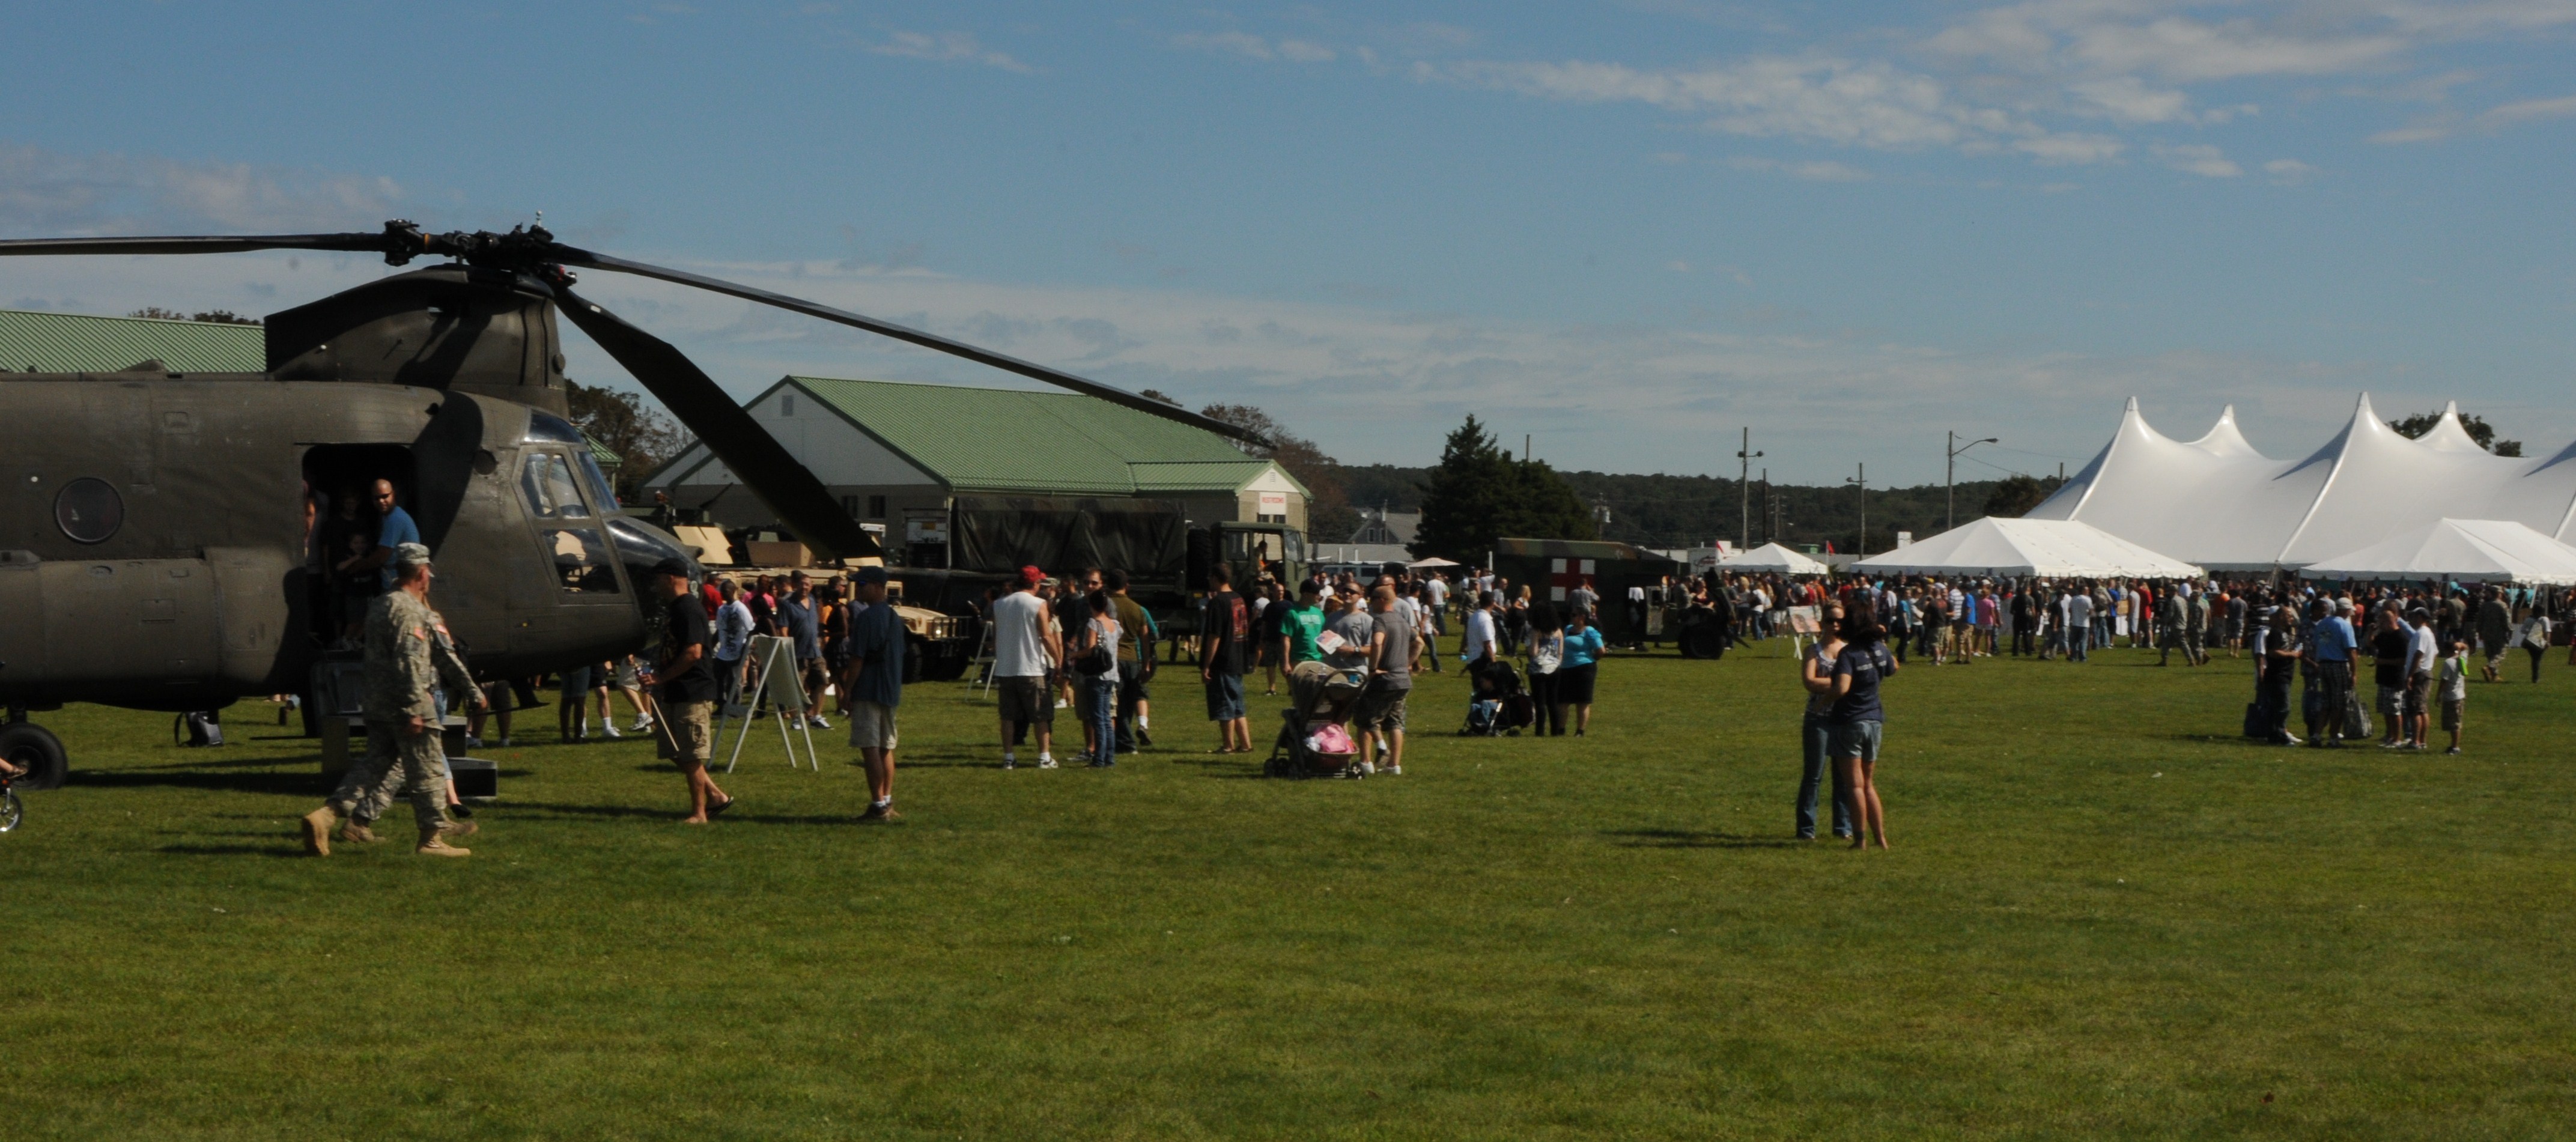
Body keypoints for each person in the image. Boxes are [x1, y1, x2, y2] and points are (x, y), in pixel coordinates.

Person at [299, 542, 483, 857]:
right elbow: (410, 661)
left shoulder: (381, 604)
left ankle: (326, 816)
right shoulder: (411, 611)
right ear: (422, 573)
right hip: (408, 703)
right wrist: (415, 708)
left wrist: (471, 691)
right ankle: (431, 840)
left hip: (377, 703)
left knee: (374, 766)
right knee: (428, 770)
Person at [649, 558, 733, 824]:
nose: (655, 586)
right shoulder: (675, 608)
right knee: (675, 751)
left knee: (692, 754)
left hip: (692, 691)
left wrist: (662, 678)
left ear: (670, 578)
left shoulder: (688, 608)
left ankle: (699, 813)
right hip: (675, 690)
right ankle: (716, 796)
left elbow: (693, 653)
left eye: (658, 580)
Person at [1826, 608, 1899, 851]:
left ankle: (1860, 840)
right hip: (1875, 720)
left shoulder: (1849, 654)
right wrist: (1882, 642)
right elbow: (1893, 668)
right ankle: (1881, 839)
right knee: (1868, 784)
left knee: (1855, 786)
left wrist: (1822, 702)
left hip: (1849, 721)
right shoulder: (1879, 649)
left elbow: (1842, 688)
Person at [842, 566, 904, 821]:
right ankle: (887, 800)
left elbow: (857, 658)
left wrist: (848, 691)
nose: (858, 588)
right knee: (886, 747)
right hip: (890, 690)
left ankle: (878, 806)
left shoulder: (866, 617)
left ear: (878, 587)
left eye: (862, 584)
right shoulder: (894, 617)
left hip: (868, 689)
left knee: (869, 747)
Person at [994, 566, 1062, 769]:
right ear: (1036, 583)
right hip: (1031, 667)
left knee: (1008, 716)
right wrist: (1058, 659)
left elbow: (997, 635)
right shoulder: (1039, 604)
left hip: (1006, 668)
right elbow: (1046, 636)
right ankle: (1044, 757)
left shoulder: (999, 604)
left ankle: (1008, 757)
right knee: (1040, 715)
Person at [1796, 601, 1853, 841]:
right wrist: (1842, 684)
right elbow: (1809, 682)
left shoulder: (1849, 650)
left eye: (1840, 620)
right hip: (1817, 719)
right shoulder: (1813, 650)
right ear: (1822, 622)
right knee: (1814, 775)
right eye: (1830, 620)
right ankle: (1806, 829)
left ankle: (1843, 827)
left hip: (1844, 719)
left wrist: (1830, 684)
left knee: (1843, 777)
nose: (1835, 625)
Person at [1358, 585, 1415, 774]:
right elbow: (1420, 642)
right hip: (1402, 680)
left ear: (1382, 600)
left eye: (1373, 598)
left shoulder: (1380, 620)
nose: (1370, 602)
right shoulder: (1402, 621)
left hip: (1384, 680)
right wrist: (1408, 663)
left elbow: (1377, 642)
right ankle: (1394, 765)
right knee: (1395, 723)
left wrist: (1373, 669)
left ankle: (1365, 763)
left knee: (1366, 720)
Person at [1200, 565, 1253, 754]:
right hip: (1238, 658)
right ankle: (1246, 744)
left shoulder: (1217, 602)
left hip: (1223, 660)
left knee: (1225, 705)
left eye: (1210, 577)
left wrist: (1207, 665)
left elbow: (1215, 635)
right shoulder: (1239, 599)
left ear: (1215, 578)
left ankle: (1228, 745)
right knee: (1238, 705)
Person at [1106, 569, 1156, 752]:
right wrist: (1146, 664)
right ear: (1127, 586)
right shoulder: (1137, 609)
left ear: (1108, 586)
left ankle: (1126, 742)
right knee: (1128, 701)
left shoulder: (1107, 606)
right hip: (1133, 659)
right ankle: (1124, 741)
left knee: (1116, 703)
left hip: (1114, 659)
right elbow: (1145, 639)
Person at [1073, 590, 1122, 768]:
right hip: (1112, 674)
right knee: (1107, 718)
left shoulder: (1094, 623)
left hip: (1097, 675)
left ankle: (1099, 759)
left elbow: (1090, 649)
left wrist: (1074, 654)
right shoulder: (1115, 624)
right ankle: (1109, 758)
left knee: (1098, 719)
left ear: (1091, 605)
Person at [777, 572, 830, 730]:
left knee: (822, 682)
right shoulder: (787, 603)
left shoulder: (813, 601)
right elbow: (783, 630)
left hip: (815, 651)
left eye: (807, 584)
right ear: (796, 585)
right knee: (796, 688)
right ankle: (796, 719)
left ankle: (815, 716)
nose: (804, 587)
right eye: (802, 584)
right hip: (797, 653)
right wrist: (787, 650)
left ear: (811, 587)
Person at [2308, 598, 2358, 748]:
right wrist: (2354, 673)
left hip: (2323, 665)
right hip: (2338, 665)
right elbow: (2351, 651)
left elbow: (2316, 644)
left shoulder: (2322, 624)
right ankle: (2333, 738)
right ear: (2346, 610)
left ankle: (2316, 735)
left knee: (2326, 703)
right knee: (2338, 704)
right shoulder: (2344, 625)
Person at [1559, 605, 1606, 737]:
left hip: (1584, 669)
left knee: (1582, 702)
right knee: (1563, 701)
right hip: (1566, 668)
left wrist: (1591, 659)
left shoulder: (1589, 631)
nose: (1571, 617)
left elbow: (1601, 650)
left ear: (1582, 617)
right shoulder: (1568, 629)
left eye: (1574, 615)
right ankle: (1561, 729)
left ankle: (1580, 731)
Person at [2368, 607, 2410, 748]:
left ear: (2389, 621)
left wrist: (2383, 662)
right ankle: (2390, 737)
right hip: (2383, 678)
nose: (2380, 624)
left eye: (2382, 621)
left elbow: (2403, 661)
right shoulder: (2384, 635)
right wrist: (2371, 632)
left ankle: (2397, 739)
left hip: (2395, 679)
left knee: (2395, 710)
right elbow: (2370, 644)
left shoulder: (2401, 638)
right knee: (2386, 710)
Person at [1525, 600, 1565, 737]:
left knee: (1540, 703)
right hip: (1555, 667)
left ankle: (1540, 731)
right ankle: (1555, 731)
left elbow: (1534, 651)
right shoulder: (1558, 631)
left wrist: (1528, 649)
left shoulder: (1536, 631)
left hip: (1539, 668)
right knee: (1553, 702)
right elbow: (1560, 652)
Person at [712, 579, 754, 708]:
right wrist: (709, 645)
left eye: (726, 591)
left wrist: (745, 648)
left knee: (734, 681)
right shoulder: (722, 609)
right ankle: (721, 706)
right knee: (719, 679)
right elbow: (719, 630)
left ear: (733, 591)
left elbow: (751, 629)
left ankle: (734, 707)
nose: (723, 594)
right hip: (723, 652)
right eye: (722, 591)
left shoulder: (741, 609)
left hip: (737, 651)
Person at [2403, 607, 2438, 750]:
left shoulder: (2421, 634)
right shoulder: (2429, 633)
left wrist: (2410, 675)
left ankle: (2415, 741)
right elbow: (2435, 653)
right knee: (2423, 708)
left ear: (2420, 617)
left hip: (2419, 674)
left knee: (2415, 709)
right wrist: (2429, 665)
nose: (2411, 619)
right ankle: (2422, 741)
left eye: (2413, 616)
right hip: (2426, 672)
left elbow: (2418, 654)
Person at [1283, 582, 1328, 667]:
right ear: (1306, 594)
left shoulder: (1318, 612)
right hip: (1299, 660)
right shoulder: (1292, 613)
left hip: (1318, 659)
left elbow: (1323, 634)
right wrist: (1286, 663)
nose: (1319, 596)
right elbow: (1286, 639)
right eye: (1316, 593)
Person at [2477, 588, 2512, 682]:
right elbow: (2507, 620)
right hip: (2499, 633)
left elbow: (2480, 620)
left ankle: (2494, 676)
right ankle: (2489, 667)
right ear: (2498, 594)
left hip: (2486, 633)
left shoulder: (2485, 605)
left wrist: (2479, 632)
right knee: (2501, 653)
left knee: (2491, 654)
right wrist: (2510, 631)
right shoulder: (2502, 605)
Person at [2440, 638, 2468, 755]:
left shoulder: (2449, 662)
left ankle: (2455, 747)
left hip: (2451, 696)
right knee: (2455, 723)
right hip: (2460, 695)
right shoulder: (2462, 659)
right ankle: (2453, 745)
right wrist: (2458, 646)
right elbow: (2465, 647)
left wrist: (2438, 695)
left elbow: (2444, 681)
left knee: (2454, 724)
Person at [2513, 604, 2551, 683]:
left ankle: (2535, 677)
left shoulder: (2529, 620)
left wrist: (2531, 632)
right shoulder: (2544, 619)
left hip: (2530, 642)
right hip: (2540, 642)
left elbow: (2523, 630)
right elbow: (2547, 632)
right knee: (2537, 659)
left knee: (2535, 659)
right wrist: (2547, 642)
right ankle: (2536, 678)